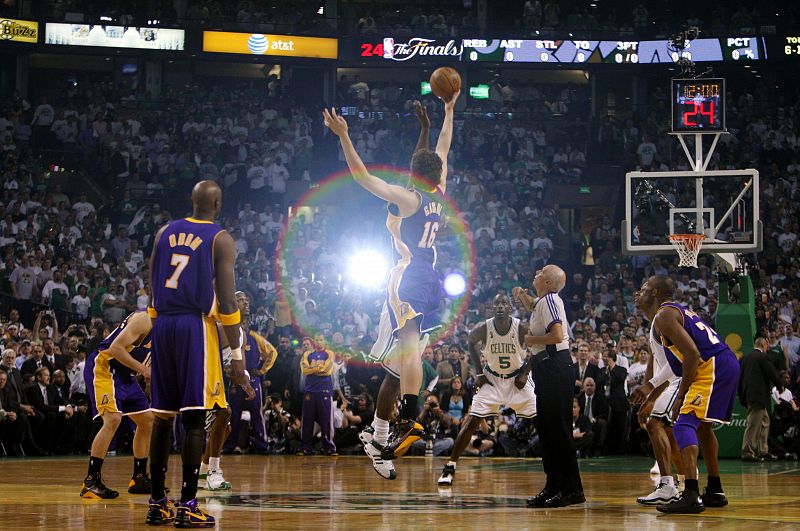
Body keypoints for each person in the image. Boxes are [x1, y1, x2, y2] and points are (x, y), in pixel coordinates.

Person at [324, 93, 457, 480]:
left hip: (405, 274)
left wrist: (344, 136)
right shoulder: (438, 190)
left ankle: (405, 420)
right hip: (430, 275)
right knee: (398, 368)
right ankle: (381, 435)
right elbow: (442, 150)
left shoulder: (407, 197)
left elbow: (362, 177)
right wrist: (443, 116)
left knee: (407, 355)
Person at [146, 180, 253, 527]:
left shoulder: (163, 232)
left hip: (162, 324)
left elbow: (151, 288)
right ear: (218, 204)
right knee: (194, 417)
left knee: (162, 417)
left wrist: (152, 344)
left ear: (191, 200)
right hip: (195, 327)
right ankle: (188, 504)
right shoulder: (220, 239)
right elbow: (226, 303)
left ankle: (157, 502)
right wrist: (237, 354)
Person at [631, 275, 741, 514]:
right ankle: (714, 489)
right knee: (703, 427)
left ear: (655, 294)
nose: (638, 294)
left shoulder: (664, 315)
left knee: (682, 422)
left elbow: (692, 355)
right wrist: (650, 395)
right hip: (723, 363)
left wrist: (680, 397)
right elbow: (676, 366)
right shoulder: (674, 314)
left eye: (643, 289)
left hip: (712, 366)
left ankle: (690, 493)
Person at [438, 293, 536, 486]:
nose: (500, 306)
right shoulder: (484, 328)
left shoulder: (521, 328)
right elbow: (470, 343)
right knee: (472, 421)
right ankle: (450, 467)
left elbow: (539, 349)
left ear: (510, 308)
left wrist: (525, 372)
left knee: (541, 419)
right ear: (492, 307)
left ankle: (557, 468)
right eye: (496, 303)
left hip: (516, 380)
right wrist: (480, 373)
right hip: (491, 380)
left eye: (504, 303)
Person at [514, 264, 584, 508]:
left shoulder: (552, 300)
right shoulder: (543, 302)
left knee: (559, 430)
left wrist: (528, 339)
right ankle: (554, 486)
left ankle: (572, 489)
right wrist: (523, 296)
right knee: (547, 430)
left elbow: (556, 335)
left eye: (541, 271)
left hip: (555, 364)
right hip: (547, 367)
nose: (536, 272)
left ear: (549, 283)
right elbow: (534, 305)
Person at [80, 311, 154, 499]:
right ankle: (91, 481)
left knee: (147, 420)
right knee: (113, 419)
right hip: (105, 365)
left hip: (125, 373)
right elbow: (115, 348)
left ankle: (139, 478)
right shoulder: (144, 319)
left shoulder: (169, 329)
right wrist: (143, 370)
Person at [634, 317, 685, 506]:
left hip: (672, 383)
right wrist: (648, 394)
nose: (638, 295)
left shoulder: (666, 320)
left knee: (658, 426)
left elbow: (675, 363)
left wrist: (652, 394)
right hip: (661, 385)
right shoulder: (653, 329)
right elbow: (652, 363)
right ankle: (683, 480)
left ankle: (671, 483)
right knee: (668, 435)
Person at [223, 291, 277, 456]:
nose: (245, 302)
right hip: (234, 379)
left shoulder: (253, 336)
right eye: (240, 299)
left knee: (256, 414)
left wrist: (261, 370)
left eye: (246, 300)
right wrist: (227, 370)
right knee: (233, 414)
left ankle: (262, 445)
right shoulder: (227, 330)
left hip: (252, 379)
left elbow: (272, 353)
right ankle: (229, 445)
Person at [739, 337, 782, 462]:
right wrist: (780, 386)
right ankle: (747, 452)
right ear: (763, 345)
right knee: (753, 424)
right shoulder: (762, 357)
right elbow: (772, 373)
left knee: (765, 422)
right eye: (767, 345)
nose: (767, 348)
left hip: (750, 396)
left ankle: (763, 451)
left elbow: (740, 379)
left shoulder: (745, 359)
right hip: (758, 396)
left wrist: (742, 395)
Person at [298, 334, 337, 455]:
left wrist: (313, 368)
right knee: (307, 420)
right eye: (317, 340)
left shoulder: (329, 353)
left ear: (325, 341)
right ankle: (305, 447)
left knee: (327, 420)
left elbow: (327, 370)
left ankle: (329, 447)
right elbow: (305, 370)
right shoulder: (307, 354)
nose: (319, 342)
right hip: (309, 391)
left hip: (325, 391)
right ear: (314, 342)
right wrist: (319, 367)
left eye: (321, 339)